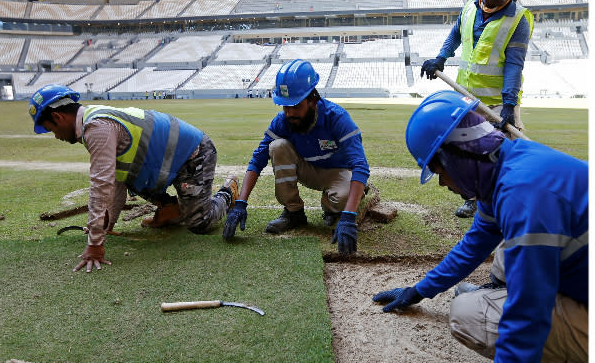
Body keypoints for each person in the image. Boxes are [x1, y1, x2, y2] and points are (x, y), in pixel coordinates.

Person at [373, 90, 587, 363]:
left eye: (439, 169)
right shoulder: (508, 165)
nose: (442, 182)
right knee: (508, 253)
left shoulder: (521, 195)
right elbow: (474, 244)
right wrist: (419, 290)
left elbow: (529, 311)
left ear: (459, 155)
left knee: (467, 314)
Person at [29, 84, 239, 273]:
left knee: (199, 223)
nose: (56, 136)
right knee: (129, 177)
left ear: (58, 117)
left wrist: (94, 244)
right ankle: (170, 209)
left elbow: (101, 186)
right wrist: (107, 225)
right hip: (164, 163)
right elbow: (118, 180)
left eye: (51, 129)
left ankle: (228, 192)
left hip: (194, 154)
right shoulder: (94, 122)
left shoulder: (97, 128)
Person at [420, 0, 533, 218]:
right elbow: (455, 35)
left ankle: (517, 199)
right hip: (466, 98)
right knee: (469, 150)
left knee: (505, 152)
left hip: (498, 100)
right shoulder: (470, 9)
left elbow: (515, 65)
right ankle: (473, 198)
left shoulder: (519, 19)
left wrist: (508, 104)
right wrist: (440, 58)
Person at [221, 59, 370, 255]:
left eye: (295, 106)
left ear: (313, 101)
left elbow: (360, 165)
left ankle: (336, 207)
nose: (289, 113)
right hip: (306, 169)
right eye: (285, 107)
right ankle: (294, 213)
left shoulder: (337, 118)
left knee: (342, 199)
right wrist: (240, 203)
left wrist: (349, 216)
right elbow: (258, 159)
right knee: (277, 146)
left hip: (338, 171)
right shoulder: (282, 122)